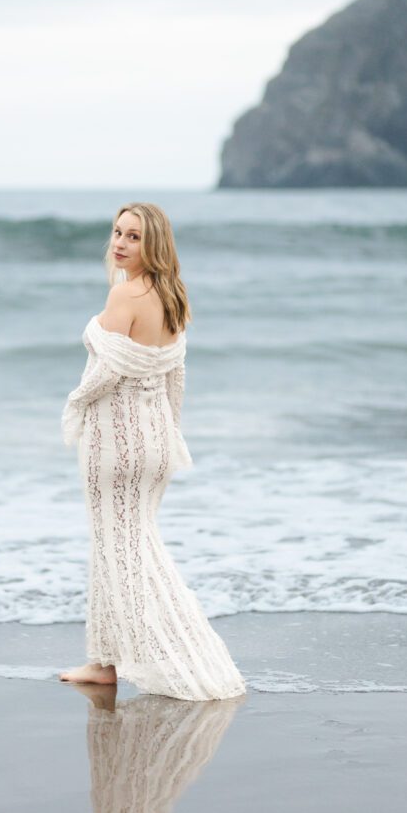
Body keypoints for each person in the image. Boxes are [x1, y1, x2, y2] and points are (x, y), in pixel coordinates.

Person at [60, 202, 247, 701]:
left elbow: (108, 372)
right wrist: (170, 430)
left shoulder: (125, 293)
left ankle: (175, 653)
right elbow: (171, 376)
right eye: (117, 233)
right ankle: (103, 661)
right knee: (126, 544)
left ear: (154, 244)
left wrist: (75, 401)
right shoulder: (173, 296)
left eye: (134, 237)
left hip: (116, 445)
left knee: (121, 550)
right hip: (155, 443)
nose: (120, 243)